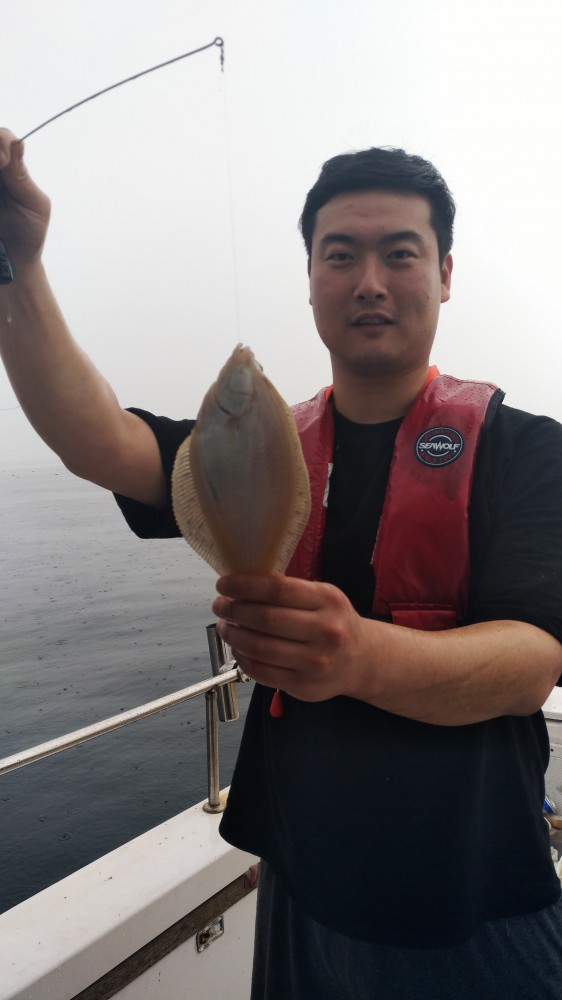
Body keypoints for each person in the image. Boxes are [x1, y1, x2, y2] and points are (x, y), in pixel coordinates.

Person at [1, 128, 562, 999]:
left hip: (475, 898)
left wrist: (358, 656)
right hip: (300, 890)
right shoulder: (256, 444)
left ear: (445, 273)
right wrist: (17, 264)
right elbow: (97, 441)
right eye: (340, 255)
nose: (369, 281)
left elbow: (531, 663)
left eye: (400, 253)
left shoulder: (526, 450)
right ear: (309, 279)